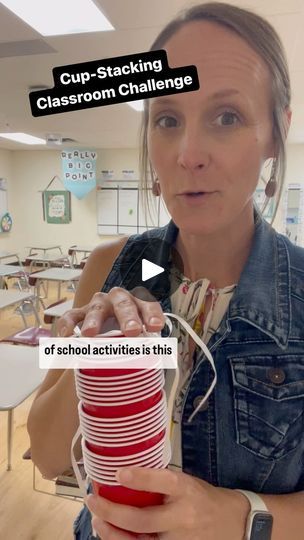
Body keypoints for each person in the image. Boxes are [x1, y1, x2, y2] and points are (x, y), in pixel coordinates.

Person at [27, 3, 304, 539]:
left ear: (275, 132)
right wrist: (96, 349)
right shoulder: (111, 265)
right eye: (168, 119)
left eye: (227, 117)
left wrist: (238, 516)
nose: (188, 153)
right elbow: (42, 453)